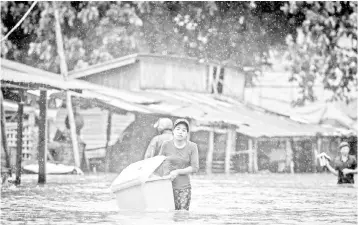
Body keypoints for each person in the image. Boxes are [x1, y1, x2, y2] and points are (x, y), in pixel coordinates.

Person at [159, 118, 199, 210]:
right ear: (173, 131)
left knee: (182, 215)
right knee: (167, 216)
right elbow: (159, 162)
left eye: (184, 130)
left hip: (183, 188)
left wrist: (177, 172)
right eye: (178, 129)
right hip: (166, 186)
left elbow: (195, 168)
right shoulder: (166, 145)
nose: (180, 132)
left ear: (187, 134)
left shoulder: (192, 147)